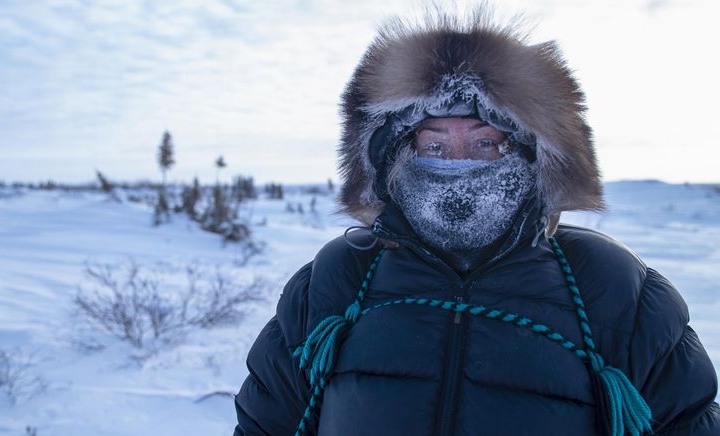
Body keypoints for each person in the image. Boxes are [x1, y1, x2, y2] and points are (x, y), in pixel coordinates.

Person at [233, 6, 720, 436]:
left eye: (487, 143)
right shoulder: (338, 280)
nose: (459, 167)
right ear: (395, 155)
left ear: (536, 157)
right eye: (435, 146)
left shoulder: (613, 288)